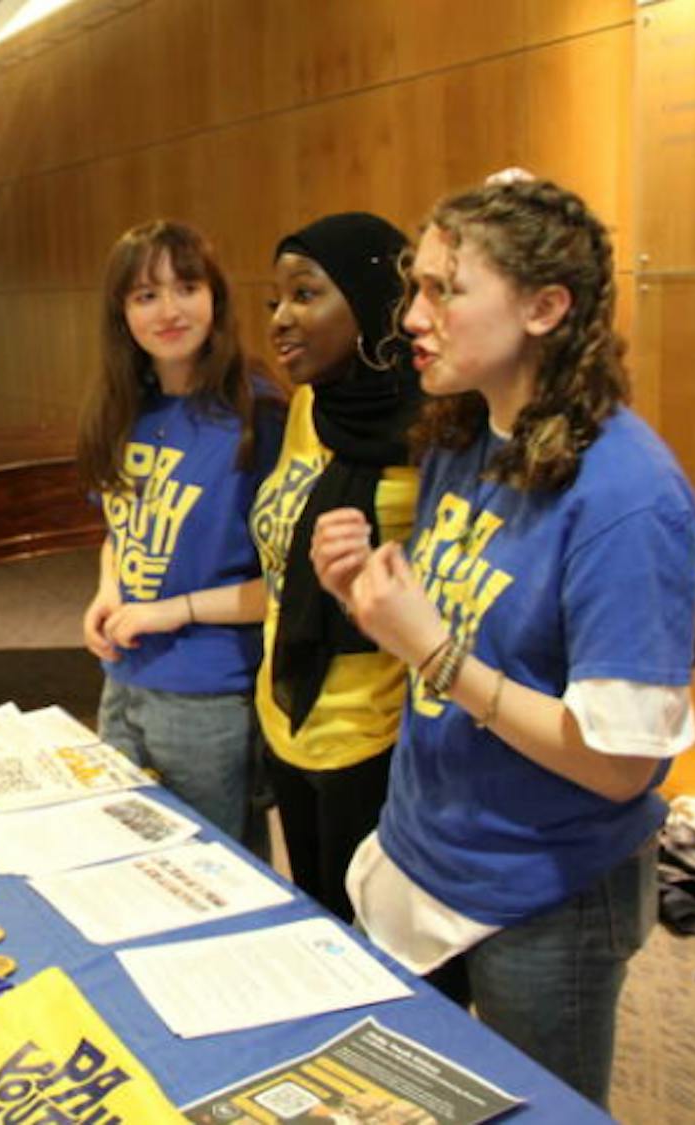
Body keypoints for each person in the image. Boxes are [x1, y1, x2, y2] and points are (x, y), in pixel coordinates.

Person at [312, 178, 695, 1106]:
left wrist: (436, 654)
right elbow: (464, 632)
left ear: (544, 308)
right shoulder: (463, 435)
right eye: (415, 287)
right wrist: (372, 599)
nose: (412, 316)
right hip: (429, 849)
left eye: (444, 289)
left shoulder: (628, 496)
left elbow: (619, 766)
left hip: (542, 894)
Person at [78, 219, 286, 843]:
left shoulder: (258, 414)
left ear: (214, 296)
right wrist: (109, 590)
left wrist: (172, 611)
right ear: (122, 313)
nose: (169, 311)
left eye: (186, 288)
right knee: (126, 855)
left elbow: (286, 588)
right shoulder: (123, 409)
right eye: (146, 295)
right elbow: (120, 529)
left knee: (213, 868)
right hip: (124, 679)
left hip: (209, 696)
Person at [249, 213, 423, 921]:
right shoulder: (309, 408)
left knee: (376, 947)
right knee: (317, 927)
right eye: (276, 301)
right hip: (288, 713)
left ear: (372, 302)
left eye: (306, 294)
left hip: (377, 736)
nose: (281, 319)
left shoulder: (434, 431)